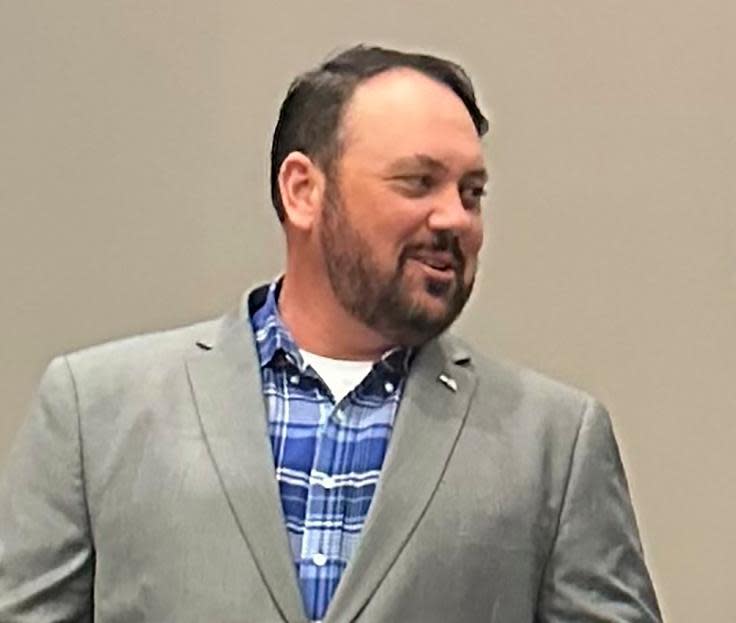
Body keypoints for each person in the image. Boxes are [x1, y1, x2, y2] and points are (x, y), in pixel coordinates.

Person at [0, 45, 661, 623]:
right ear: (302, 190)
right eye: (418, 181)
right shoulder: (98, 409)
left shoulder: (552, 442)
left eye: (472, 192)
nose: (454, 217)